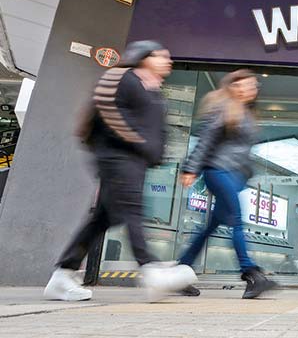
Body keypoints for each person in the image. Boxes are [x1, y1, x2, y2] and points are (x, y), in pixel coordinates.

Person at [44, 41, 197, 301]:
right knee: (132, 207)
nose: (167, 61)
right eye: (161, 56)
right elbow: (107, 110)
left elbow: (156, 129)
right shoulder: (121, 77)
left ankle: (62, 274)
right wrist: (139, 142)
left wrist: (155, 153)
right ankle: (150, 268)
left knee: (103, 218)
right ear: (143, 56)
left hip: (137, 160)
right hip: (116, 155)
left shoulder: (155, 91)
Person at [177, 69, 276, 299]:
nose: (251, 89)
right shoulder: (222, 108)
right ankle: (251, 274)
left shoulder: (248, 113)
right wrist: (191, 168)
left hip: (236, 176)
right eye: (245, 85)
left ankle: (180, 273)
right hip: (218, 171)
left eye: (254, 85)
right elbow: (206, 140)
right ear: (234, 87)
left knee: (210, 227)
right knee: (237, 220)